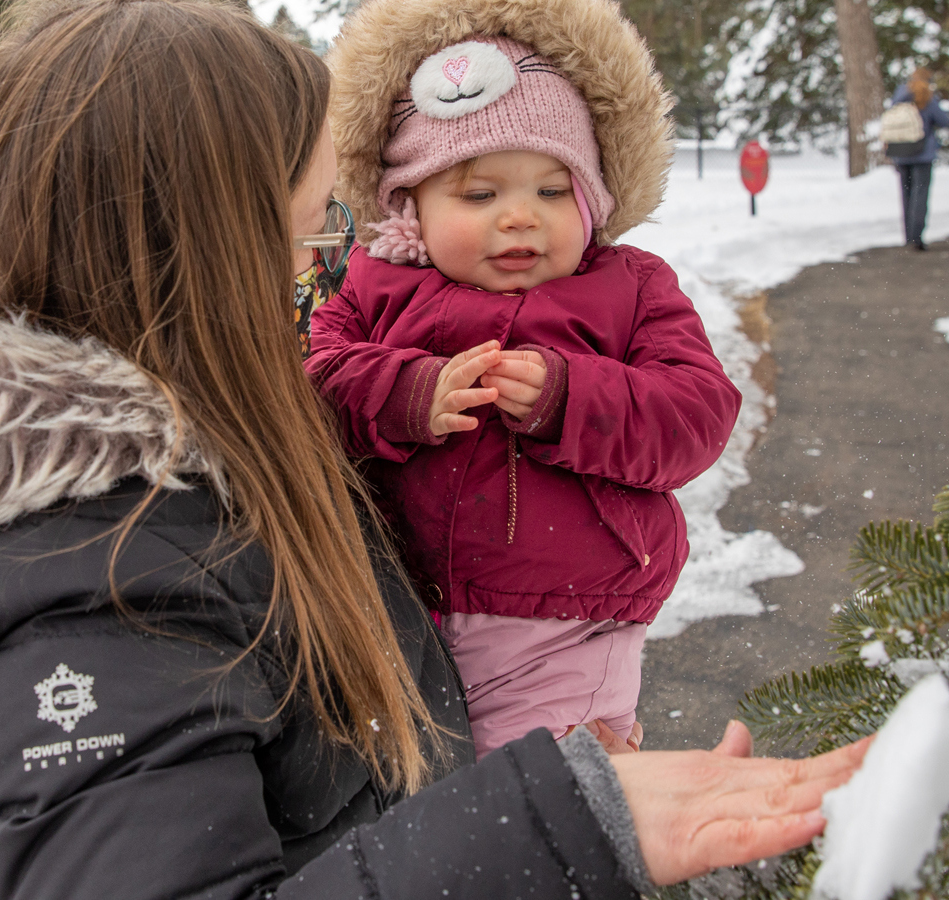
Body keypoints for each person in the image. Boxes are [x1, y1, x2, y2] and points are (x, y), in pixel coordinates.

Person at [0, 1, 868, 898]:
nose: (321, 281)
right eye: (304, 240)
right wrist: (552, 824)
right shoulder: (75, 584)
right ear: (202, 237)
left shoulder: (198, 452)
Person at [307, 0, 740, 760]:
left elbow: (696, 414)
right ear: (407, 205)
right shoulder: (374, 287)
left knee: (534, 800)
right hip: (394, 608)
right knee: (413, 801)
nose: (520, 218)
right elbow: (314, 382)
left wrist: (572, 400)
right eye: (479, 195)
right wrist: (409, 395)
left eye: (552, 191)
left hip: (565, 620)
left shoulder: (632, 288)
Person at [890, 68, 949, 251]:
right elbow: (944, 121)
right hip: (922, 153)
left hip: (901, 151)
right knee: (920, 195)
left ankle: (908, 236)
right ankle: (916, 237)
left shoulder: (899, 96)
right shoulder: (928, 97)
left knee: (906, 195)